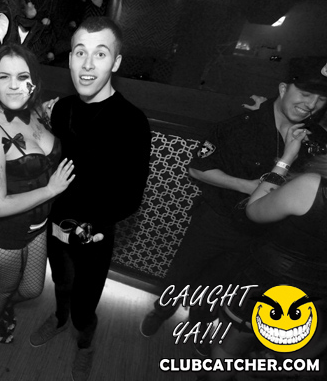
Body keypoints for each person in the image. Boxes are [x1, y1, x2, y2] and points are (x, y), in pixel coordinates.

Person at [139, 57, 327, 353]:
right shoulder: (240, 122)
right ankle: (161, 311)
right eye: (305, 93)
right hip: (216, 221)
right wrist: (248, 186)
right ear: (283, 89)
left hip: (260, 237)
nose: (311, 104)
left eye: (321, 99)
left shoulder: (316, 139)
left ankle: (199, 327)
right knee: (181, 276)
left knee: (219, 288)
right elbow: (197, 168)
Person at [29, 16, 151, 381]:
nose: (87, 64)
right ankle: (58, 319)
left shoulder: (132, 121)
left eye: (100, 54)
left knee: (85, 304)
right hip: (56, 223)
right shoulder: (61, 109)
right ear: (69, 59)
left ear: (116, 62)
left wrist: (87, 228)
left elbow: (131, 197)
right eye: (80, 52)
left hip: (94, 234)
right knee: (61, 285)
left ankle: (85, 342)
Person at [206, 116, 327, 381]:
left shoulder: (311, 186)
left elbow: (253, 211)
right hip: (313, 299)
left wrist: (286, 159)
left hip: (265, 285)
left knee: (227, 350)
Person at [0, 42, 75, 344]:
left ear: (33, 82)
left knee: (32, 290)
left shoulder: (37, 113)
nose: (14, 85)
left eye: (22, 77)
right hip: (2, 235)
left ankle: (4, 305)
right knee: (2, 289)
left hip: (38, 226)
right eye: (3, 77)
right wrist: (51, 189)